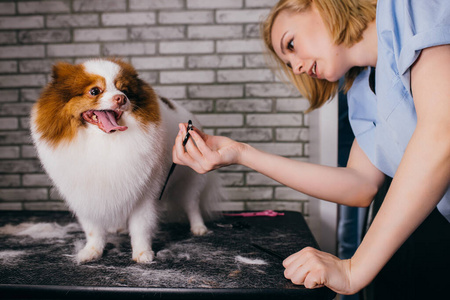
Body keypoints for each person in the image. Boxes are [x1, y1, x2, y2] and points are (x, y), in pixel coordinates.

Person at [172, 0, 450, 298]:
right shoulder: (362, 93)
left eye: (291, 44)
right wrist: (241, 153)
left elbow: (441, 133)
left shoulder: (409, 7)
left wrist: (354, 269)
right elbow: (360, 185)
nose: (298, 67)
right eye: (290, 65)